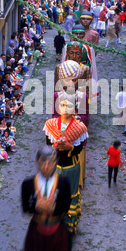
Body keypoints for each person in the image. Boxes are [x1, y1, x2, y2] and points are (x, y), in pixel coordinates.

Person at [21, 146, 71, 251]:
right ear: (37, 162)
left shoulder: (63, 183)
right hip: (37, 230)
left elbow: (66, 206)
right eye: (43, 162)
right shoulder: (28, 184)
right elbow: (25, 207)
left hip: (58, 230)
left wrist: (52, 208)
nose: (47, 167)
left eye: (51, 162)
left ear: (56, 163)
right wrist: (36, 206)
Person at [43, 91, 88, 234]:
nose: (65, 108)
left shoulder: (79, 128)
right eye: (62, 105)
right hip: (55, 167)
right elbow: (47, 144)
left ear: (74, 107)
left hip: (71, 167)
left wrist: (71, 147)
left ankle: (69, 226)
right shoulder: (51, 125)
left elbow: (80, 148)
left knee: (70, 194)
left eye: (68, 105)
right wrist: (53, 147)